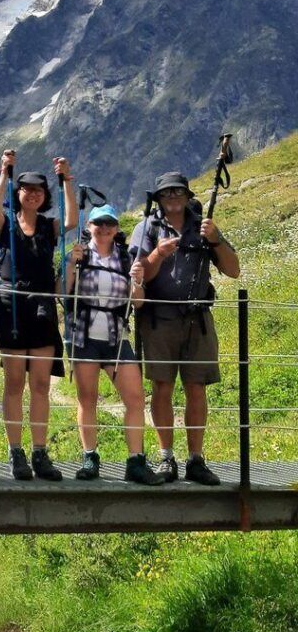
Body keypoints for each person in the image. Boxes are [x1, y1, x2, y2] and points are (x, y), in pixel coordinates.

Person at [130, 171, 240, 485]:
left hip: (198, 320)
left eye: (178, 191)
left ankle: (196, 459)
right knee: (161, 387)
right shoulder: (146, 228)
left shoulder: (205, 227)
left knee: (196, 388)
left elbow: (233, 270)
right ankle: (167, 458)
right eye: (166, 193)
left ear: (188, 195)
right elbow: (140, 276)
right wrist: (157, 254)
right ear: (159, 198)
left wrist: (216, 239)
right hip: (158, 320)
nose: (173, 197)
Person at [0, 150, 76, 481]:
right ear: (19, 192)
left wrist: (66, 178)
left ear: (44, 195)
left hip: (40, 308)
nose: (33, 193)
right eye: (26, 189)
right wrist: (4, 174)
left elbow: (71, 221)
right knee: (13, 383)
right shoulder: (6, 223)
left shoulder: (48, 227)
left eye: (39, 190)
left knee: (40, 384)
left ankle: (39, 452)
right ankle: (16, 454)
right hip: (12, 307)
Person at [67, 204, 164, 485]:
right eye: (99, 223)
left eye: (110, 223)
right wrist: (71, 265)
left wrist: (137, 281)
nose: (105, 228)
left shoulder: (126, 259)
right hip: (83, 335)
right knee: (87, 399)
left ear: (117, 228)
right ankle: (90, 458)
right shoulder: (79, 255)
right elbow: (63, 291)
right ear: (89, 227)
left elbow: (138, 302)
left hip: (116, 336)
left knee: (134, 398)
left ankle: (135, 462)